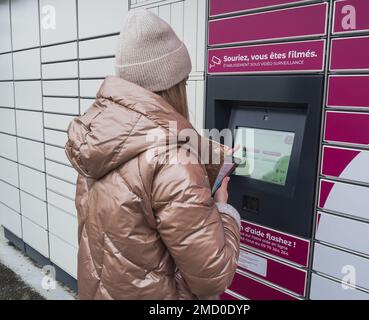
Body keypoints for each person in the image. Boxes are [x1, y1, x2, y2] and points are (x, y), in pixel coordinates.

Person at [64, 9, 240, 300]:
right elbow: (213, 276)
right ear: (174, 84)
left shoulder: (98, 140)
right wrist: (224, 210)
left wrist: (211, 156)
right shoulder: (174, 162)